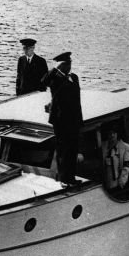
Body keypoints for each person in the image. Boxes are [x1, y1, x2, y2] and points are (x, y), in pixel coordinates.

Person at [42, 52, 82, 185]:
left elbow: (76, 100)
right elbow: (44, 81)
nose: (69, 66)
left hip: (74, 120)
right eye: (66, 64)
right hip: (61, 120)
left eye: (70, 63)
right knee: (63, 150)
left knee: (73, 149)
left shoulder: (74, 78)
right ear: (61, 66)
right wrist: (55, 69)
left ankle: (71, 177)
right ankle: (64, 179)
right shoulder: (55, 79)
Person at [101, 123, 129, 192]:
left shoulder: (126, 147)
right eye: (110, 133)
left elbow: (126, 166)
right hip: (106, 184)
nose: (112, 135)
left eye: (114, 133)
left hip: (119, 184)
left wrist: (122, 182)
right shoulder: (103, 147)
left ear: (117, 133)